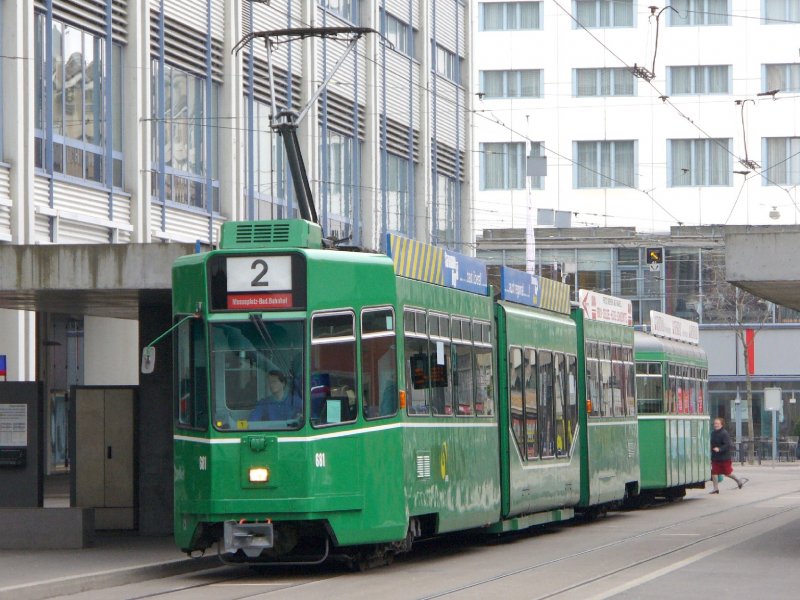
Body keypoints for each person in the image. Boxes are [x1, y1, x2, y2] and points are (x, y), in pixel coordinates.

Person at [709, 417, 748, 494]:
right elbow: (712, 443)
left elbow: (727, 445)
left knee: (727, 473)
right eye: (714, 423)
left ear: (721, 424)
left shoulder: (724, 433)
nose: (715, 425)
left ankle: (738, 480)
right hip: (715, 457)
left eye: (717, 423)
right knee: (714, 472)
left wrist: (719, 449)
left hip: (724, 457)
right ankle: (715, 488)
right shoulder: (713, 433)